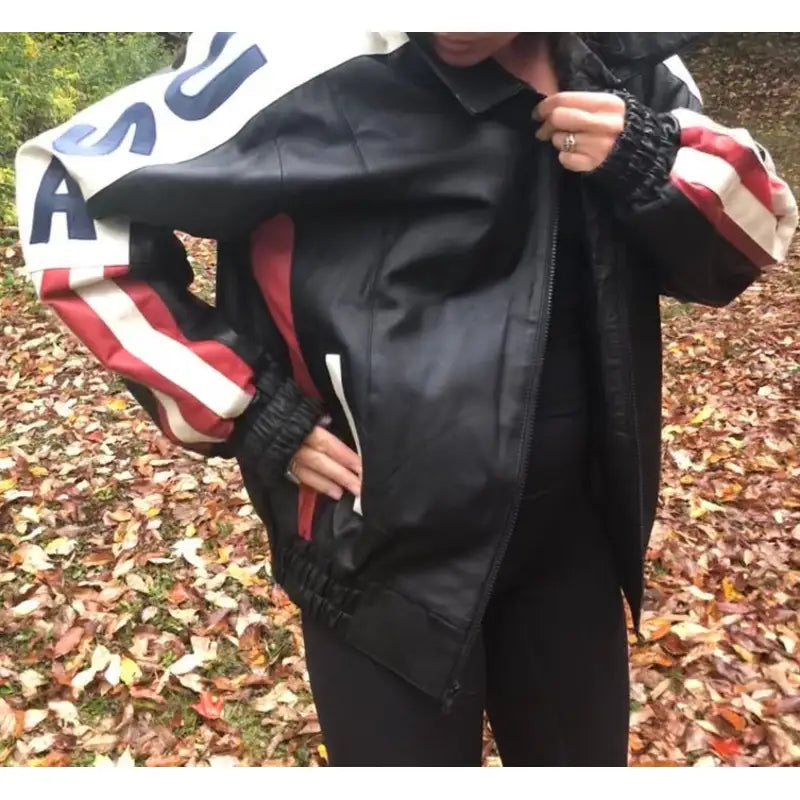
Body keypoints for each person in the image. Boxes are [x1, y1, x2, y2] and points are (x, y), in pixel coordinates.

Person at [15, 32, 797, 766]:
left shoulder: (627, 54)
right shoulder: (299, 53)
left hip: (574, 550)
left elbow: (757, 236)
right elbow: (64, 182)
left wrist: (647, 157)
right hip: (379, 567)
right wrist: (250, 409)